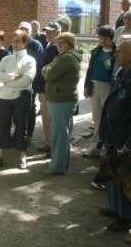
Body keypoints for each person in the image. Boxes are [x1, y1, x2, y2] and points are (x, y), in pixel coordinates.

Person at [98, 39, 131, 233]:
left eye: (119, 53)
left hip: (126, 137)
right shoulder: (122, 72)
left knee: (127, 177)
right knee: (113, 173)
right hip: (113, 133)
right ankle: (115, 209)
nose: (116, 55)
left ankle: (126, 217)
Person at [0, 30, 36, 169]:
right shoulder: (6, 58)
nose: (15, 44)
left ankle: (22, 156)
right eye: (13, 41)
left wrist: (7, 82)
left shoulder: (30, 60)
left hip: (21, 97)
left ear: (25, 43)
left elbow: (27, 79)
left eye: (18, 41)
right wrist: (12, 77)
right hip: (4, 97)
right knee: (3, 125)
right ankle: (0, 154)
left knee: (21, 126)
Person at [42, 32, 82, 175]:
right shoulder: (65, 57)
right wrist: (47, 69)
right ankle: (61, 164)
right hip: (63, 98)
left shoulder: (66, 58)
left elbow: (50, 74)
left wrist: (46, 70)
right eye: (58, 44)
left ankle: (57, 167)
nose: (59, 46)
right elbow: (48, 69)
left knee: (59, 134)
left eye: (62, 43)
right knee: (63, 132)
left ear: (70, 44)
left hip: (61, 99)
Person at [82, 26, 116, 158]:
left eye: (105, 38)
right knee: (97, 118)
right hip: (95, 85)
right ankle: (94, 147)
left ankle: (106, 147)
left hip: (108, 87)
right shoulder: (96, 51)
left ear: (111, 38)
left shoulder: (116, 52)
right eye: (100, 37)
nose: (101, 40)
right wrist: (86, 86)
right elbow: (90, 70)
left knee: (107, 117)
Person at [36, 22, 61, 156]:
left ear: (58, 32)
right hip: (43, 88)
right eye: (46, 32)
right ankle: (48, 143)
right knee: (45, 118)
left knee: (52, 119)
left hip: (52, 88)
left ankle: (54, 147)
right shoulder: (48, 45)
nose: (47, 34)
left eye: (50, 32)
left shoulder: (59, 47)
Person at [18, 22, 44, 140]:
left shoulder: (36, 45)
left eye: (25, 30)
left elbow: (39, 64)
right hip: (17, 82)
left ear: (30, 32)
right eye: (21, 29)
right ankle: (20, 131)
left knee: (29, 107)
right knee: (19, 107)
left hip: (31, 82)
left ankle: (29, 133)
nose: (23, 31)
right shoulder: (16, 43)